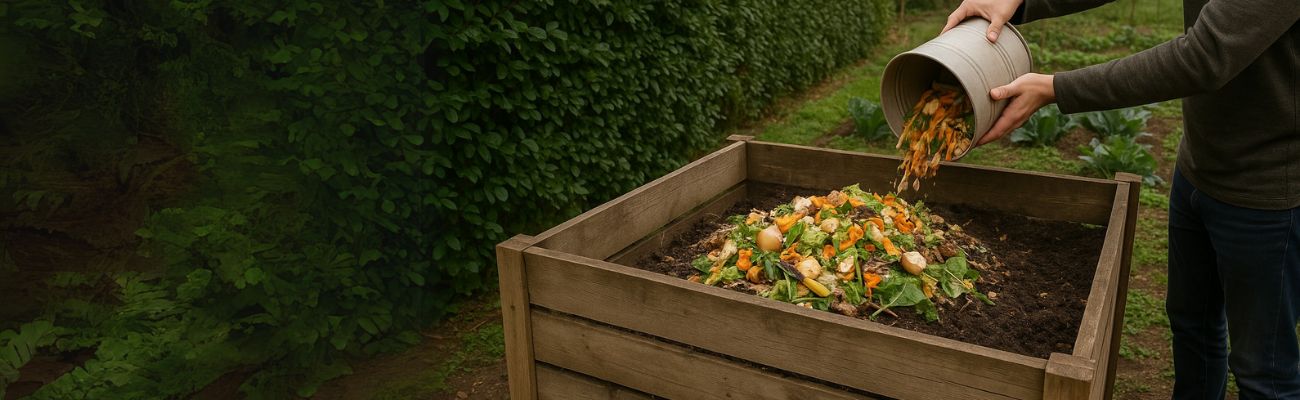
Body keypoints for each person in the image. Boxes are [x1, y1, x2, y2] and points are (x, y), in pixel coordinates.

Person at [939, 0, 1299, 398]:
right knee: (1192, 326)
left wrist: (1057, 87)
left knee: (1263, 371)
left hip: (1266, 193)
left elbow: (1207, 55)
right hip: (1200, 163)